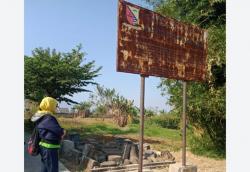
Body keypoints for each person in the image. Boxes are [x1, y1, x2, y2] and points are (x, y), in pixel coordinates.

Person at [31, 97, 66, 172]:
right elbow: (58, 130)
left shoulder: (41, 115)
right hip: (50, 148)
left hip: (44, 147)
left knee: (45, 168)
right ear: (49, 105)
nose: (56, 107)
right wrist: (63, 131)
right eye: (55, 105)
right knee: (52, 169)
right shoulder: (48, 117)